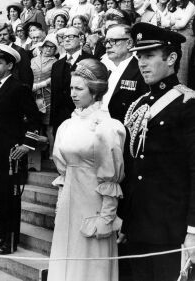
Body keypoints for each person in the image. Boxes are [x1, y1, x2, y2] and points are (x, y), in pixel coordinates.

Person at [120, 22, 195, 281]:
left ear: (172, 58)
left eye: (149, 55)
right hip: (138, 224)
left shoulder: (188, 105)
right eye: (139, 56)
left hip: (170, 229)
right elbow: (133, 169)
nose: (142, 63)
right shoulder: (140, 104)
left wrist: (193, 229)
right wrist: (125, 219)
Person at [48, 58, 125, 281]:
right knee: (65, 262)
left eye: (79, 88)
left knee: (90, 267)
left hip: (93, 206)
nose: (73, 93)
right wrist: (59, 206)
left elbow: (111, 178)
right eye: (71, 87)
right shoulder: (66, 125)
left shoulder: (106, 127)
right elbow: (63, 174)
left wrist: (106, 218)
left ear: (95, 91)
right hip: (69, 204)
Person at [0, 44, 41, 255]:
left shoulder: (19, 87)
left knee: (11, 199)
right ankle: (0, 236)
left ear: (10, 65)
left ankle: (10, 241)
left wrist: (27, 145)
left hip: (12, 154)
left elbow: (34, 119)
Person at [50, 27, 94, 132]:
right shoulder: (56, 65)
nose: (66, 40)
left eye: (71, 36)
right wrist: (53, 123)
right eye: (64, 37)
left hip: (84, 120)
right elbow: (54, 96)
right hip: (60, 122)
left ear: (81, 39)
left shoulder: (91, 61)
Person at [101, 24, 148, 123]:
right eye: (106, 41)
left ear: (129, 43)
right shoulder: (104, 69)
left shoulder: (141, 71)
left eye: (113, 41)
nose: (107, 45)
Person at [31, 34, 59, 155]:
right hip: (33, 95)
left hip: (47, 95)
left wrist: (41, 84)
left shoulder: (56, 62)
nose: (48, 49)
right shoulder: (33, 60)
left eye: (52, 47)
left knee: (48, 126)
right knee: (35, 124)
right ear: (41, 47)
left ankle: (52, 153)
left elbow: (55, 78)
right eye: (46, 46)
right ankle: (36, 154)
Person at [0, 23, 34, 89]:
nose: (2, 37)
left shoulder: (19, 51)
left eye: (5, 34)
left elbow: (27, 75)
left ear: (10, 35)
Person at [168, 0, 195, 86]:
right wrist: (175, 21)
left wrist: (173, 22)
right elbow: (166, 21)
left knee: (182, 67)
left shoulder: (191, 6)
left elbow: (182, 24)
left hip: (186, 38)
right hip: (175, 35)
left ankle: (182, 90)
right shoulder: (173, 4)